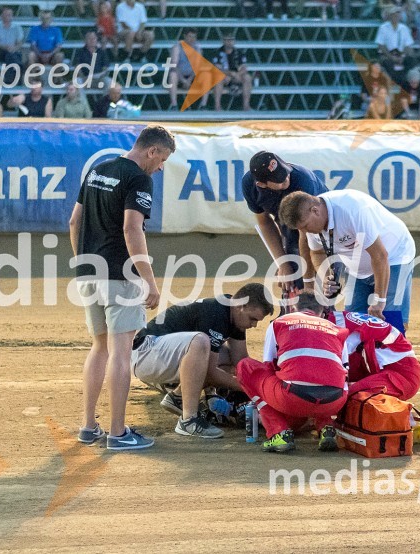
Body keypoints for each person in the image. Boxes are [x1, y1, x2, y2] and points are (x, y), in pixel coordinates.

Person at [69, 125, 176, 450]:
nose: (160, 168)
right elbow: (133, 228)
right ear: (152, 151)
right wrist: (149, 281)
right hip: (120, 275)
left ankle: (89, 426)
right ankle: (117, 432)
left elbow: (74, 221)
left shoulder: (98, 169)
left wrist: (85, 262)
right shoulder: (138, 178)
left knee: (98, 347)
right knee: (121, 351)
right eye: (162, 160)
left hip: (89, 272)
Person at [131, 283, 273, 439]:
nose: (254, 325)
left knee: (225, 355)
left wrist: (269, 378)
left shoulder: (231, 312)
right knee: (201, 341)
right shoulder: (216, 313)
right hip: (146, 354)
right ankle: (188, 420)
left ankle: (178, 397)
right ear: (241, 306)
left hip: (160, 354)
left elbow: (241, 362)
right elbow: (212, 373)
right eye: (252, 319)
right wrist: (256, 389)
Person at [278, 189, 417, 327]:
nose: (305, 232)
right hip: (356, 266)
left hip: (394, 256)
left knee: (390, 322)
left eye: (306, 226)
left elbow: (380, 256)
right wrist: (326, 276)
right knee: (353, 325)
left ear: (315, 211)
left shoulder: (353, 210)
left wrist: (380, 299)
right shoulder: (309, 221)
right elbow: (317, 253)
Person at [237, 292, 350, 453]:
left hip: (292, 398)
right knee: (324, 374)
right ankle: (327, 428)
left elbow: (269, 366)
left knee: (245, 367)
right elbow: (345, 372)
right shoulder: (337, 330)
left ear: (291, 307)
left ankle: (279, 431)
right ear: (323, 311)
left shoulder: (279, 323)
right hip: (334, 402)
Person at [242, 151, 327, 295]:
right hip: (289, 233)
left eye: (285, 172)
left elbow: (307, 234)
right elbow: (265, 223)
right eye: (279, 180)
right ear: (261, 184)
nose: (286, 178)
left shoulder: (303, 181)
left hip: (318, 233)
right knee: (291, 288)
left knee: (315, 293)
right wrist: (283, 263)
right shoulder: (249, 184)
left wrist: (307, 282)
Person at [327, 310, 420, 399]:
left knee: (345, 395)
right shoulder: (339, 320)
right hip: (397, 370)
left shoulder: (338, 327)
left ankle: (399, 414)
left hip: (403, 377)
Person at [167, 27, 210, 110]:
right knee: (172, 75)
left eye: (194, 37)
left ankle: (203, 105)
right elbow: (174, 65)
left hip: (192, 77)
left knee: (206, 75)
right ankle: (174, 105)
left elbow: (198, 67)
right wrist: (183, 80)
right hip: (179, 76)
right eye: (190, 36)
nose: (192, 39)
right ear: (185, 36)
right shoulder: (177, 47)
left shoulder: (197, 48)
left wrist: (189, 80)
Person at [212, 34, 252, 111]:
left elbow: (244, 68)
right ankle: (217, 106)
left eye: (231, 40)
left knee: (247, 77)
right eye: (227, 40)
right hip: (224, 77)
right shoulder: (217, 53)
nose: (229, 42)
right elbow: (216, 69)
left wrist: (236, 74)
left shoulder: (239, 53)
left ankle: (246, 106)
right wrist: (230, 74)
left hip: (236, 77)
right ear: (223, 41)